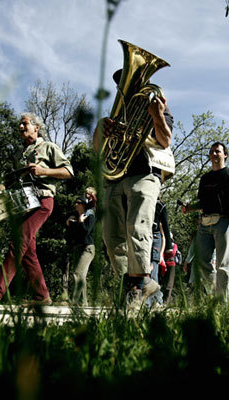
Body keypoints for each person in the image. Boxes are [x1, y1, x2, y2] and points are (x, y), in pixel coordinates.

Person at [94, 69, 175, 306]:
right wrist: (99, 131)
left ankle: (137, 289)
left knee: (137, 226)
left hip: (145, 173)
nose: (126, 88)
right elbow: (98, 153)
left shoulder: (158, 105)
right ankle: (134, 284)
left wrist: (157, 115)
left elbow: (165, 140)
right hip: (117, 176)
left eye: (131, 82)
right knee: (112, 237)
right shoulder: (117, 112)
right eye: (123, 85)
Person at [0, 113, 73, 308]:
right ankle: (42, 297)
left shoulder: (48, 147)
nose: (20, 127)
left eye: (24, 124)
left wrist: (43, 171)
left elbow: (69, 171)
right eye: (19, 125)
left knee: (18, 242)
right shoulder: (20, 155)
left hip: (43, 201)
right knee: (28, 252)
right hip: (23, 204)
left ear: (36, 127)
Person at [181, 142, 229, 300]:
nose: (214, 154)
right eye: (211, 151)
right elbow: (203, 203)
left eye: (217, 151)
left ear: (225, 155)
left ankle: (221, 302)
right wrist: (189, 208)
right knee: (201, 261)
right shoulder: (205, 178)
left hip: (224, 220)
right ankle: (214, 293)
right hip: (205, 223)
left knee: (224, 263)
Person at [62, 196, 95, 306]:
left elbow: (86, 232)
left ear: (84, 205)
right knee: (81, 276)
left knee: (77, 273)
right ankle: (83, 303)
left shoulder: (89, 216)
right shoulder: (74, 216)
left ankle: (74, 300)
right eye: (75, 202)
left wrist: (81, 222)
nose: (76, 204)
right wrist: (68, 224)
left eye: (78, 202)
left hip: (87, 248)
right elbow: (70, 234)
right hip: (77, 248)